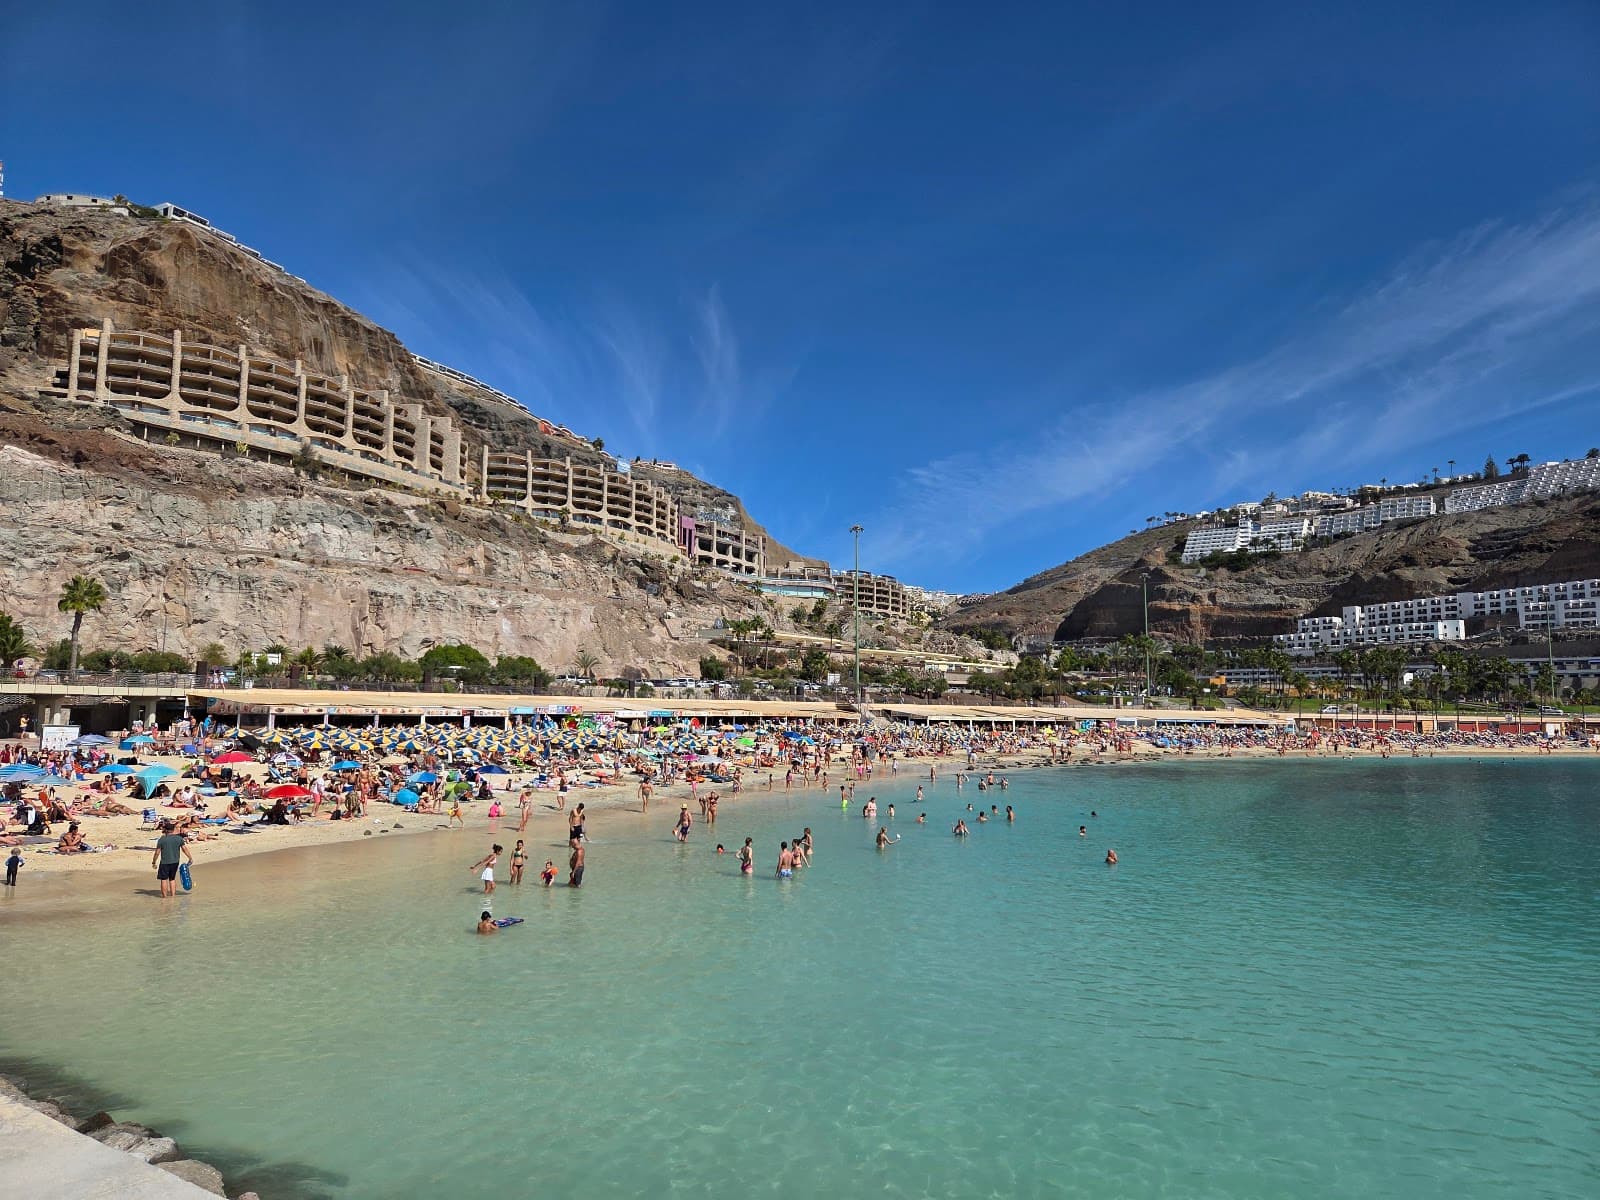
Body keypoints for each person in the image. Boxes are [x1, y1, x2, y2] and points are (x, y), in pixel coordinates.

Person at [152, 820, 193, 898]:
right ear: (173, 829)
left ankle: (164, 898)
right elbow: (185, 849)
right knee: (172, 879)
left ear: (166, 830)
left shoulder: (162, 839)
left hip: (165, 862)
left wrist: (153, 862)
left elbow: (157, 853)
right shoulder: (179, 838)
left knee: (164, 879)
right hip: (175, 862)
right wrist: (190, 858)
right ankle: (173, 897)